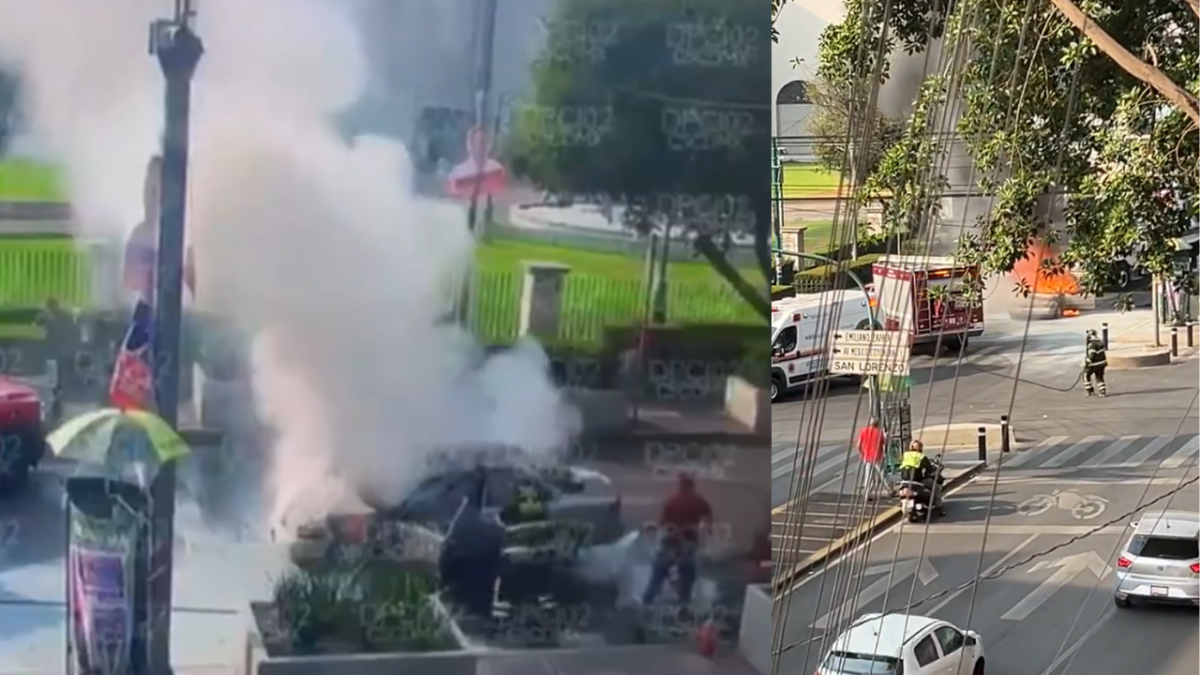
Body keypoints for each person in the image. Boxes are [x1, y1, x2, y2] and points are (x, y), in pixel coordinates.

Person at [642, 473, 712, 607]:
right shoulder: (700, 502)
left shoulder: (672, 501)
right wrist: (706, 532)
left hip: (670, 543)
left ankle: (647, 600)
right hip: (688, 543)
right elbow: (708, 519)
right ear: (693, 486)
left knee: (658, 574)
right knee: (687, 576)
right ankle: (683, 604)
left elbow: (662, 523)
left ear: (681, 485)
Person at [898, 440, 943, 514]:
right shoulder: (921, 457)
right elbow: (929, 469)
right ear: (921, 448)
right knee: (936, 488)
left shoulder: (905, 455)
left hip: (904, 481)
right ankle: (939, 508)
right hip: (917, 481)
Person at [857, 418, 893, 499]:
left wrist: (861, 453)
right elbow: (884, 443)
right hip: (877, 456)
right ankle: (889, 489)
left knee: (868, 475)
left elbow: (859, 445)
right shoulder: (879, 433)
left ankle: (867, 493)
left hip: (867, 456)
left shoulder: (863, 431)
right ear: (877, 424)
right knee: (883, 474)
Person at [1083, 329, 1108, 397]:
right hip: (1102, 363)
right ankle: (1102, 391)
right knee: (1099, 376)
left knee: (1086, 375)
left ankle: (1089, 390)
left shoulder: (1092, 344)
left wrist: (1087, 363)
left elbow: (1091, 355)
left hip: (1094, 364)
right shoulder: (1100, 342)